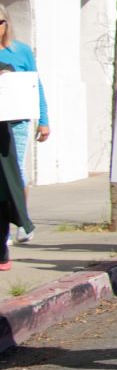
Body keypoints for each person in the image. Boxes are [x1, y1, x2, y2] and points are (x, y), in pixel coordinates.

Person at [0, 3, 49, 241]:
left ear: (7, 24)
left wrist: (44, 120)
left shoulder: (21, 51)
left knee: (15, 170)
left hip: (17, 121)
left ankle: (20, 220)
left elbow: (35, 85)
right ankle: (3, 228)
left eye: (0, 22)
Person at [0, 63, 35, 271]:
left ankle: (1, 253)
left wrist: (8, 80)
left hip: (0, 143)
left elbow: (19, 98)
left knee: (2, 197)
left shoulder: (4, 68)